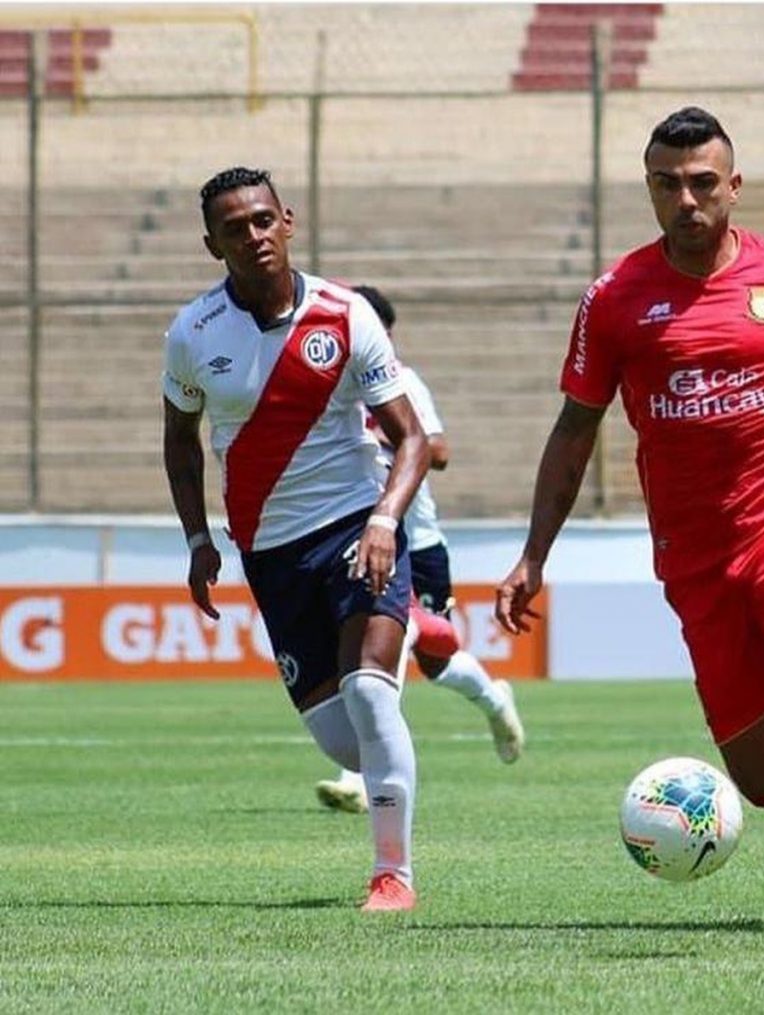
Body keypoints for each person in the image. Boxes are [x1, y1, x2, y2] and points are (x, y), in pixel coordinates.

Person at [495, 107, 764, 938]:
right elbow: (574, 427)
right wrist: (532, 555)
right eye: (668, 184)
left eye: (703, 183)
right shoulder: (616, 300)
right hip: (693, 552)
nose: (687, 200)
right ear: (650, 189)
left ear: (734, 185)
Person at [162, 167, 428, 912]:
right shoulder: (193, 334)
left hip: (356, 529)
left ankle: (392, 875)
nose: (253, 236)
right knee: (348, 740)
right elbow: (180, 441)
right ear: (212, 243)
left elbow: (409, 440)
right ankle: (415, 677)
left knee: (371, 698)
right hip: (272, 554)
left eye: (262, 220)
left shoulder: (347, 316)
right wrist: (196, 539)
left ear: (287, 220)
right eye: (234, 228)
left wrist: (384, 520)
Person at [315, 285, 525, 815]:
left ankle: (493, 702)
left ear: (382, 332)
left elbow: (439, 450)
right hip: (359, 540)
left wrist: (382, 443)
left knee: (425, 659)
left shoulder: (401, 382)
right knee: (381, 646)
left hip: (418, 543)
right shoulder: (331, 388)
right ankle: (364, 769)